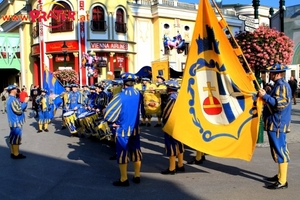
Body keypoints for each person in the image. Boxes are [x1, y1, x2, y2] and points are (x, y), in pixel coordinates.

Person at [104, 72, 142, 187]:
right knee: (136, 151)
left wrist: (113, 123)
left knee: (122, 153)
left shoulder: (120, 96)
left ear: (123, 83)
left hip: (123, 129)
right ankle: (137, 175)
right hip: (135, 128)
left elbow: (108, 115)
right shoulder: (139, 94)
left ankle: (124, 179)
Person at [258, 64, 292, 190]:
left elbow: (280, 104)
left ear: (277, 74)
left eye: (271, 74)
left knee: (280, 150)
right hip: (275, 123)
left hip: (277, 124)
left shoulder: (282, 86)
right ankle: (280, 176)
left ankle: (282, 181)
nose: (269, 75)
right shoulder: (278, 85)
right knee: (277, 150)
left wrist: (265, 96)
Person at [161, 80, 185, 175]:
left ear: (169, 88)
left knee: (171, 145)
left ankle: (172, 168)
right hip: (180, 124)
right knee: (179, 144)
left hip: (171, 125)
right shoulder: (179, 97)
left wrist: (164, 123)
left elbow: (167, 113)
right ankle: (180, 164)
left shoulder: (171, 98)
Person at [6, 84, 29, 159]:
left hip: (12, 121)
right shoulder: (12, 100)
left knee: (13, 137)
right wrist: (25, 102)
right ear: (12, 90)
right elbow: (18, 110)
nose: (17, 90)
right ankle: (16, 154)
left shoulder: (9, 98)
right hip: (16, 121)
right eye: (15, 89)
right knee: (16, 137)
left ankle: (13, 152)